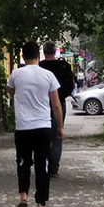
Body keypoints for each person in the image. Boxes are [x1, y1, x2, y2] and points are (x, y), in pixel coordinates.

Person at [7, 41, 64, 207]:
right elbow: (56, 104)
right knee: (42, 167)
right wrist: (60, 127)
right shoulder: (48, 76)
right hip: (43, 127)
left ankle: (24, 196)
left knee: (23, 163)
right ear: (38, 56)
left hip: (23, 127)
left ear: (23, 56)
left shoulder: (16, 74)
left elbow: (11, 92)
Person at [39, 42, 76, 177]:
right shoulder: (63, 66)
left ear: (44, 51)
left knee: (42, 135)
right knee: (57, 136)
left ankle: (43, 165)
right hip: (59, 103)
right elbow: (71, 84)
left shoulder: (40, 67)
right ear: (55, 52)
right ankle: (53, 168)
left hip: (41, 104)